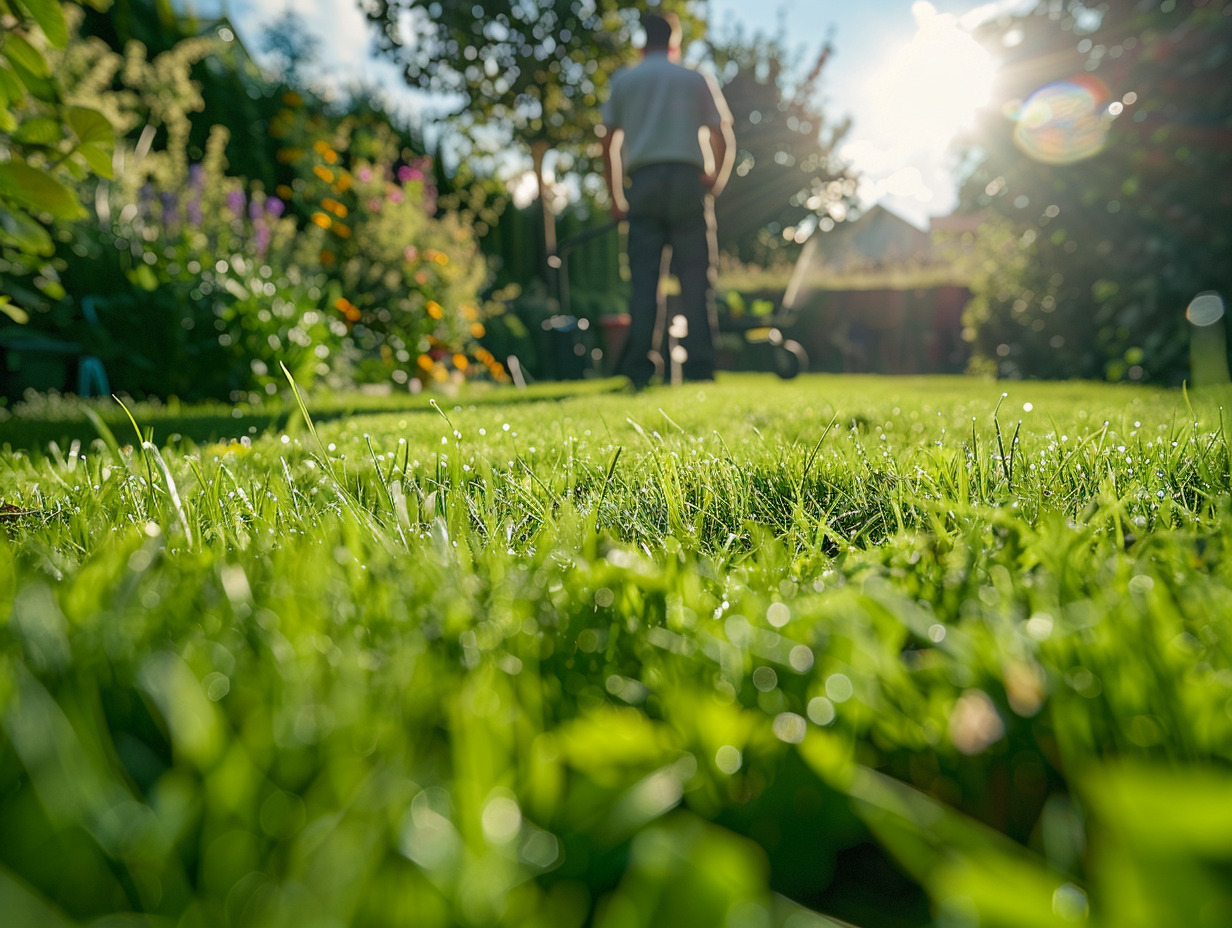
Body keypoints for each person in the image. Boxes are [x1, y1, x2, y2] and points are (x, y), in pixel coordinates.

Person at [600, 11, 735, 388]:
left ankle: (640, 370)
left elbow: (608, 141)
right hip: (687, 183)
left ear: (642, 42)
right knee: (696, 279)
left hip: (642, 185)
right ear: (675, 42)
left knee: (644, 283)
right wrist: (716, 179)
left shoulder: (625, 81)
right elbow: (722, 134)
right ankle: (701, 368)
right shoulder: (694, 79)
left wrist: (615, 196)